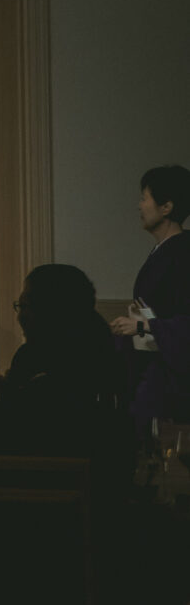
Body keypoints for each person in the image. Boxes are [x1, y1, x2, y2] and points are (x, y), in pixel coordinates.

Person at [0, 263, 135, 475]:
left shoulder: (42, 361)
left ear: (50, 310)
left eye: (25, 306)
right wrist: (5, 391)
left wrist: (8, 397)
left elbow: (37, 415)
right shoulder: (108, 358)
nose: (20, 316)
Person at [111, 162, 190, 435]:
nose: (139, 206)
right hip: (154, 365)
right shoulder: (165, 251)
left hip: (170, 376)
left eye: (144, 198)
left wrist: (143, 325)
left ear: (166, 207)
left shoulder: (182, 253)